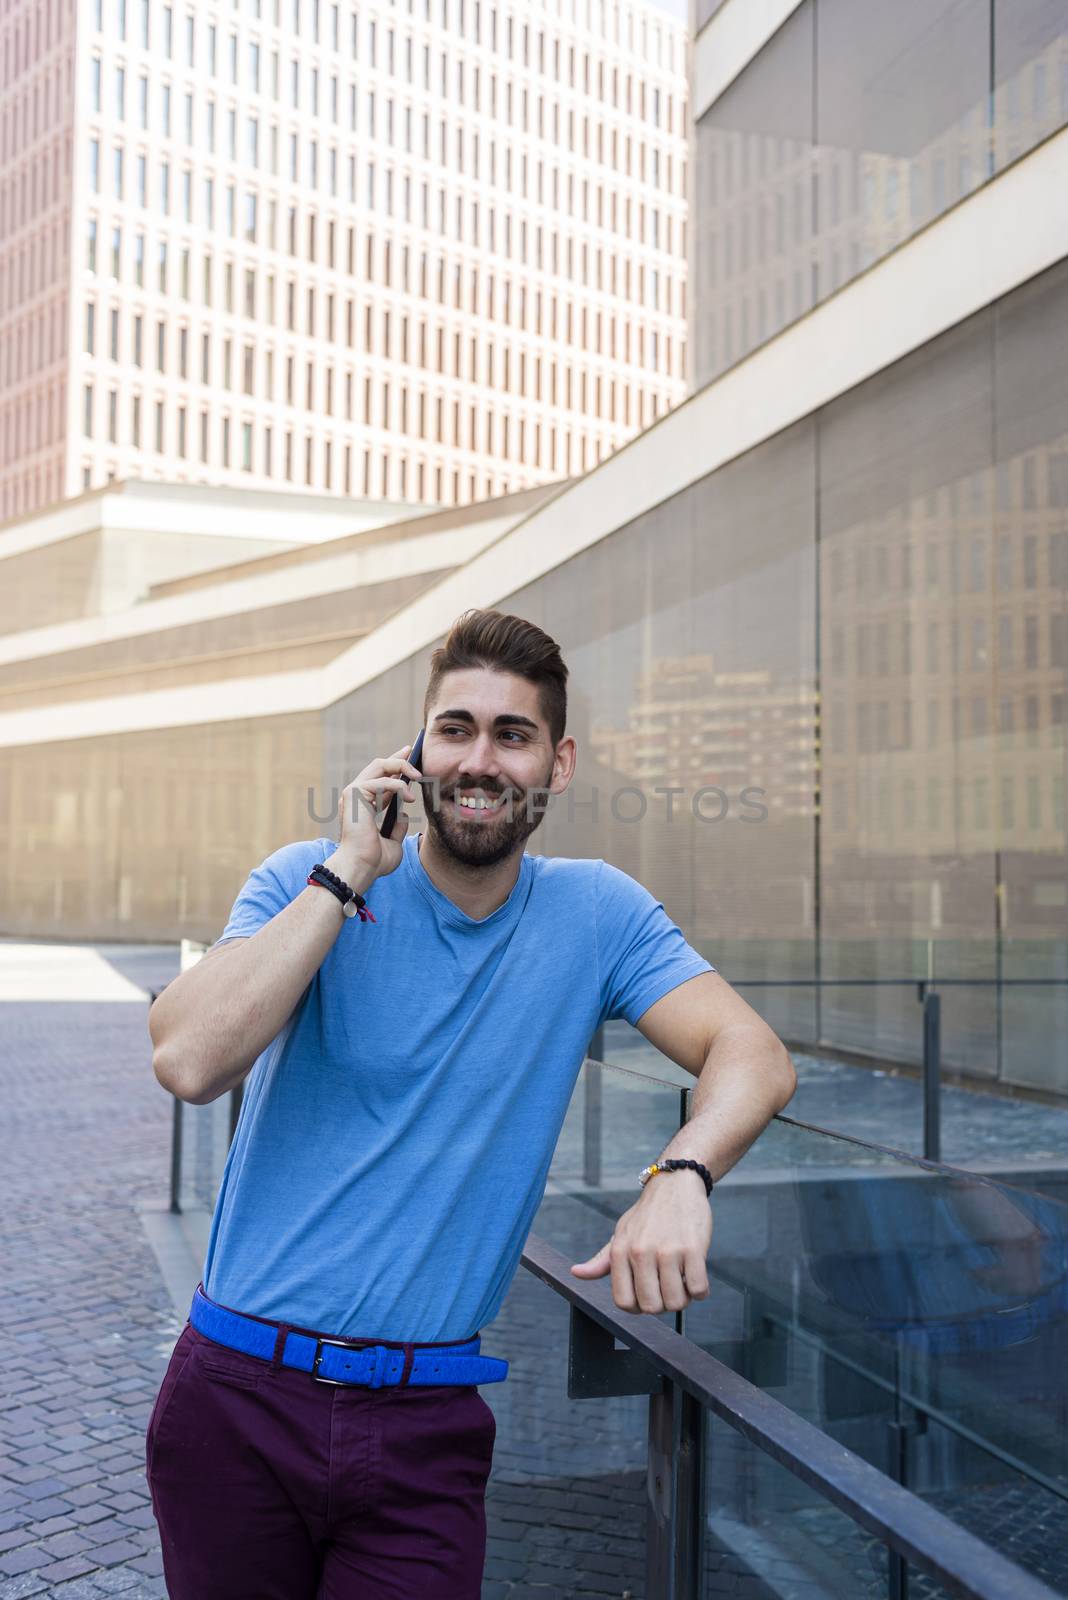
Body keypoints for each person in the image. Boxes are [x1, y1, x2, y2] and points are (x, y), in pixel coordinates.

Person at [145, 607, 796, 1599]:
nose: (479, 758)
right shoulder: (304, 879)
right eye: (455, 729)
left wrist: (683, 1172)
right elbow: (190, 1060)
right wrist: (349, 869)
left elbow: (750, 1050)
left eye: (512, 734)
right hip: (237, 1400)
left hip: (427, 1422)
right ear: (416, 749)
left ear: (558, 764)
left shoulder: (598, 912)